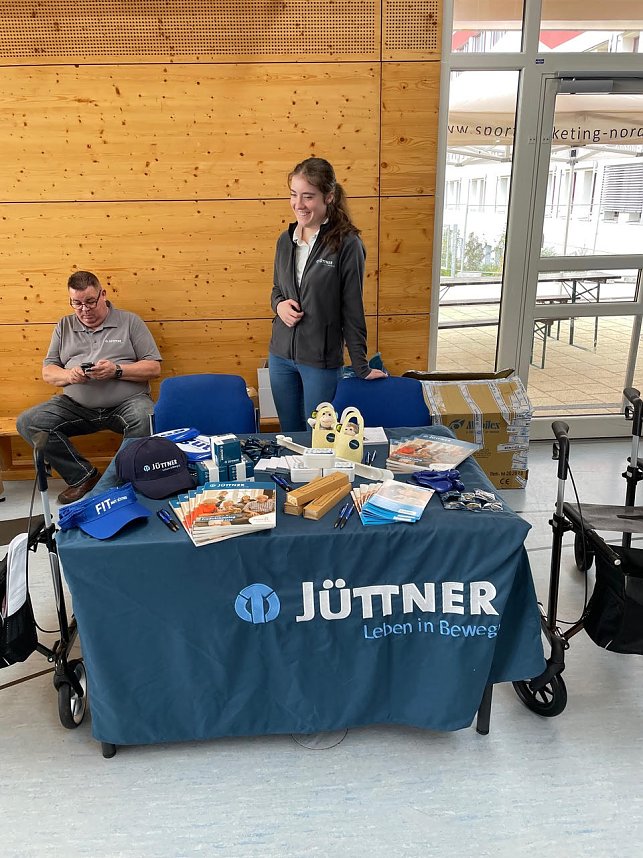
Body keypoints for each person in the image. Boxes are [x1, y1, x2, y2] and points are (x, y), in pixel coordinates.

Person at [17, 271, 162, 504]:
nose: (84, 309)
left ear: (103, 294)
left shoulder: (129, 321)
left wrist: (116, 370)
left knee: (147, 417)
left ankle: (115, 484)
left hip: (126, 404)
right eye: (77, 303)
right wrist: (69, 375)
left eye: (90, 302)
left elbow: (153, 368)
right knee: (28, 421)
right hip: (76, 406)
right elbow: (48, 371)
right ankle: (84, 477)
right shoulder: (63, 325)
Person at [268, 157, 386, 431]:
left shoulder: (347, 244)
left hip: (320, 362)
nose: (299, 204)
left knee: (318, 438)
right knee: (289, 434)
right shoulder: (285, 241)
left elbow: (352, 308)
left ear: (329, 197)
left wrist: (361, 365)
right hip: (280, 357)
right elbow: (276, 289)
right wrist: (279, 306)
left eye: (308, 197)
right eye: (294, 195)